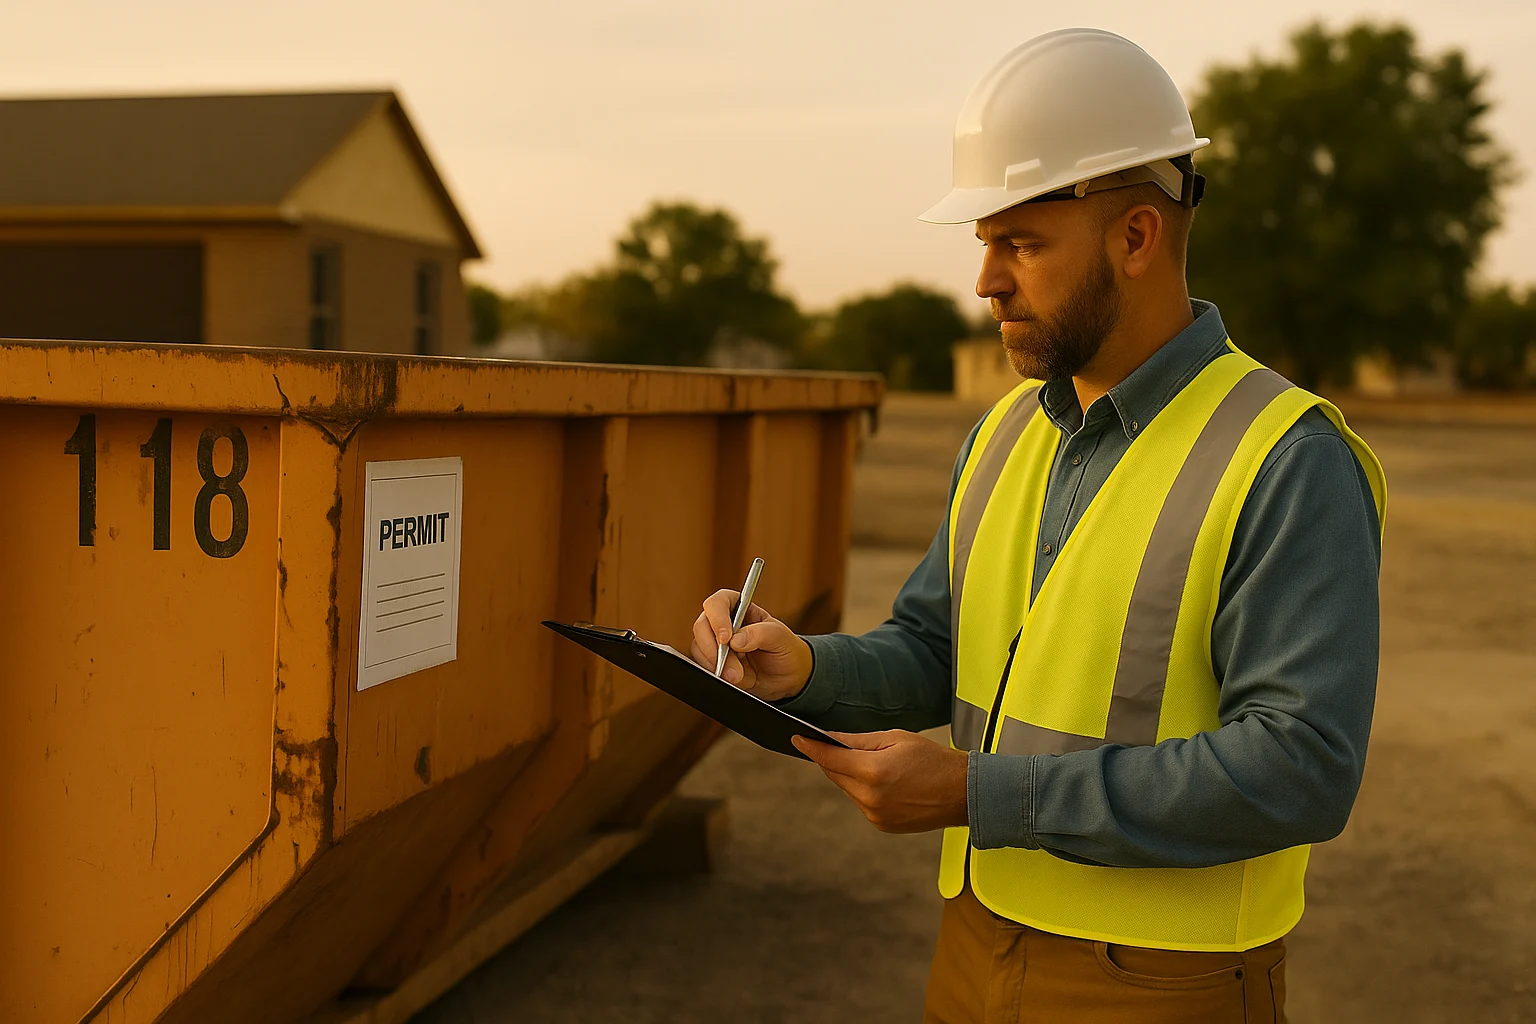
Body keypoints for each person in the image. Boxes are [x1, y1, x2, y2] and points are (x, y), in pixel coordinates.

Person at [688, 27, 1386, 1024]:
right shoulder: (1009, 429)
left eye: (1018, 243)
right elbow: (936, 647)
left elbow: (1301, 769)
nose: (985, 281)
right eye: (984, 244)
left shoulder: (1285, 455)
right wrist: (803, 670)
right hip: (975, 941)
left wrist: (981, 796)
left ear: (1137, 237)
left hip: (1163, 983)